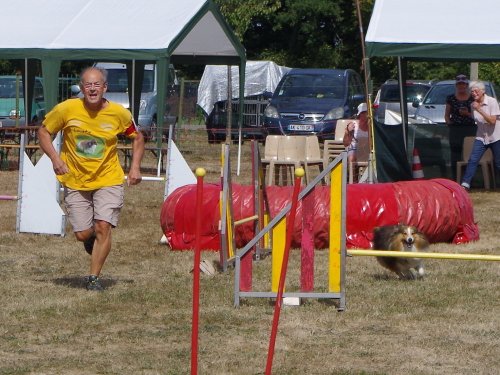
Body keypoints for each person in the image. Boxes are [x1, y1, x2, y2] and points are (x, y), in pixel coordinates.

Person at [38, 67, 145, 291]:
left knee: (103, 225)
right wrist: (55, 159)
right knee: (82, 233)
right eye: (88, 84)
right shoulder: (67, 109)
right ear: (82, 88)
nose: (93, 88)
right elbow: (44, 132)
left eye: (97, 84)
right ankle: (90, 239)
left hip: (108, 177)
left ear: (105, 88)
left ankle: (93, 278)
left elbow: (137, 137)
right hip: (75, 179)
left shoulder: (119, 113)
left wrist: (134, 167)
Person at [460, 80, 500, 190]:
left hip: (496, 137)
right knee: (473, 159)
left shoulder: (492, 102)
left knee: (498, 163)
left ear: (482, 91)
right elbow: (477, 119)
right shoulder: (473, 105)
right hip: (481, 137)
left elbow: (492, 121)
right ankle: (465, 184)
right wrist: (468, 113)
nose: (473, 93)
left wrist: (479, 109)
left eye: (476, 91)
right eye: (471, 92)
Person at [445, 74, 475, 180]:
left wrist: (467, 114)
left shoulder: (473, 98)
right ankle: (455, 178)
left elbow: (477, 116)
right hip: (456, 129)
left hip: (470, 128)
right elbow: (447, 115)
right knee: (455, 154)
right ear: (456, 86)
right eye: (459, 84)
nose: (461, 87)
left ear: (466, 85)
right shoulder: (451, 98)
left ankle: (469, 178)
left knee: (470, 153)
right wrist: (449, 123)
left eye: (463, 84)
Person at [343, 102, 369, 182]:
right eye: (363, 113)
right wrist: (348, 132)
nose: (365, 115)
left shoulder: (372, 127)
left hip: (366, 151)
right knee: (351, 157)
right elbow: (345, 143)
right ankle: (353, 182)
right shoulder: (353, 125)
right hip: (354, 150)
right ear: (359, 114)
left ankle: (367, 181)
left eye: (366, 113)